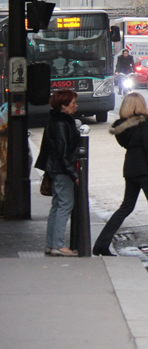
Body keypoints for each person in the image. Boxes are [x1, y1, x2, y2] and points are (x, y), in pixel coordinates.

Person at [92, 92, 148, 262]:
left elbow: (127, 144)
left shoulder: (121, 127)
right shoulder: (144, 123)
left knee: (125, 208)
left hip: (130, 167)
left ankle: (101, 244)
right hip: (145, 169)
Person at [34, 90, 80, 257]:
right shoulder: (62, 123)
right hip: (61, 169)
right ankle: (58, 245)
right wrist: (74, 175)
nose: (75, 106)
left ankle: (51, 243)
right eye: (73, 103)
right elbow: (63, 153)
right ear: (63, 105)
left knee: (57, 205)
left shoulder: (54, 120)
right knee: (65, 204)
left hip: (54, 168)